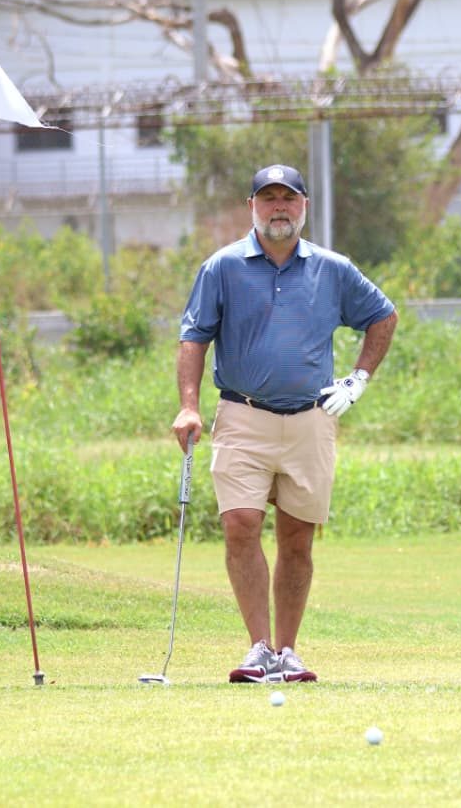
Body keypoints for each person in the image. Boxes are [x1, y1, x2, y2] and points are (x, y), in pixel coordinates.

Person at [172, 164, 398, 683]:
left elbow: (383, 316)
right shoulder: (222, 267)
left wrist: (358, 379)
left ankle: (288, 653)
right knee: (240, 524)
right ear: (251, 206)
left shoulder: (332, 269)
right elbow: (194, 338)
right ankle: (258, 648)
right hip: (242, 415)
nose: (279, 208)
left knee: (297, 537)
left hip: (310, 420)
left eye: (288, 199)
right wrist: (189, 404)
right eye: (268, 198)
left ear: (304, 207)